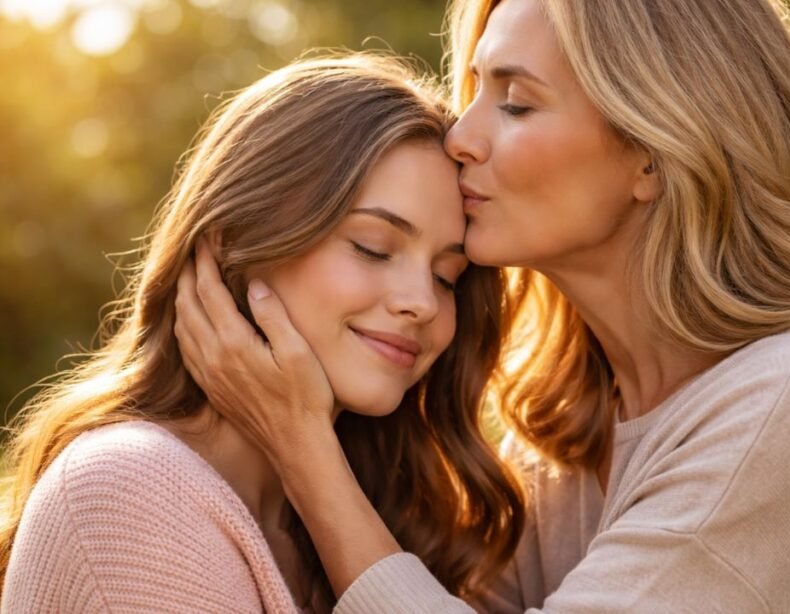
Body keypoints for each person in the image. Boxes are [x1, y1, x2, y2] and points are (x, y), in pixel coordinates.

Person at [173, 0, 790, 611]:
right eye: (476, 89)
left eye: (514, 102)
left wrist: (301, 446)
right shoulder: (558, 436)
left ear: (653, 151)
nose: (460, 137)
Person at [0, 53, 526, 613]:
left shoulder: (361, 526)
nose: (421, 302)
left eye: (448, 277)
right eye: (372, 247)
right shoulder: (133, 492)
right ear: (233, 241)